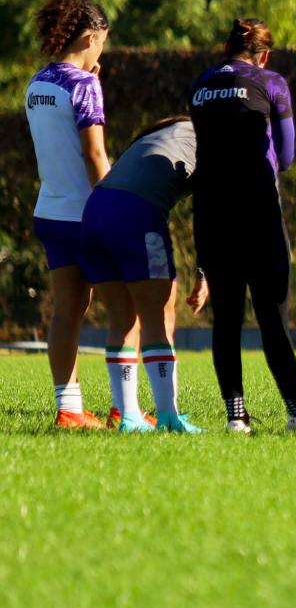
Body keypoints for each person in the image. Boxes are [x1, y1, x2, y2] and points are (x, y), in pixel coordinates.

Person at [188, 18, 296, 433]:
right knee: (272, 319)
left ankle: (236, 416)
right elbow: (285, 156)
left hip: (212, 212)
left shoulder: (200, 85)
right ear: (263, 55)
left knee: (226, 319)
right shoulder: (271, 83)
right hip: (258, 212)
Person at [79, 117, 207, 432]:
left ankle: (130, 417)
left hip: (95, 209)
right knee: (159, 314)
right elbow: (208, 212)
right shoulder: (206, 138)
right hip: (137, 213)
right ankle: (167, 416)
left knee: (123, 320)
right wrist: (205, 271)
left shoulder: (160, 136)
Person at [26, 0, 112, 430]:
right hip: (88, 211)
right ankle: (126, 408)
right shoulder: (85, 86)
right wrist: (116, 202)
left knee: (66, 309)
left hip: (50, 210)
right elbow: (94, 155)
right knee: (126, 306)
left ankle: (69, 408)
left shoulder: (37, 82)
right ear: (90, 37)